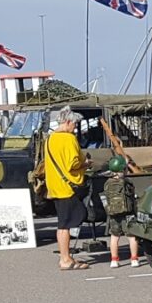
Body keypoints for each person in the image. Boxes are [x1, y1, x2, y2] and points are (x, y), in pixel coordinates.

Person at [44, 108, 90, 271]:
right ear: (68, 122)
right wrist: (85, 164)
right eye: (75, 124)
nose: (75, 128)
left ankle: (67, 256)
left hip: (55, 185)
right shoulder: (68, 139)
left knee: (64, 222)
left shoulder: (50, 138)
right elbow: (72, 164)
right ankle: (65, 258)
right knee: (66, 223)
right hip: (68, 186)